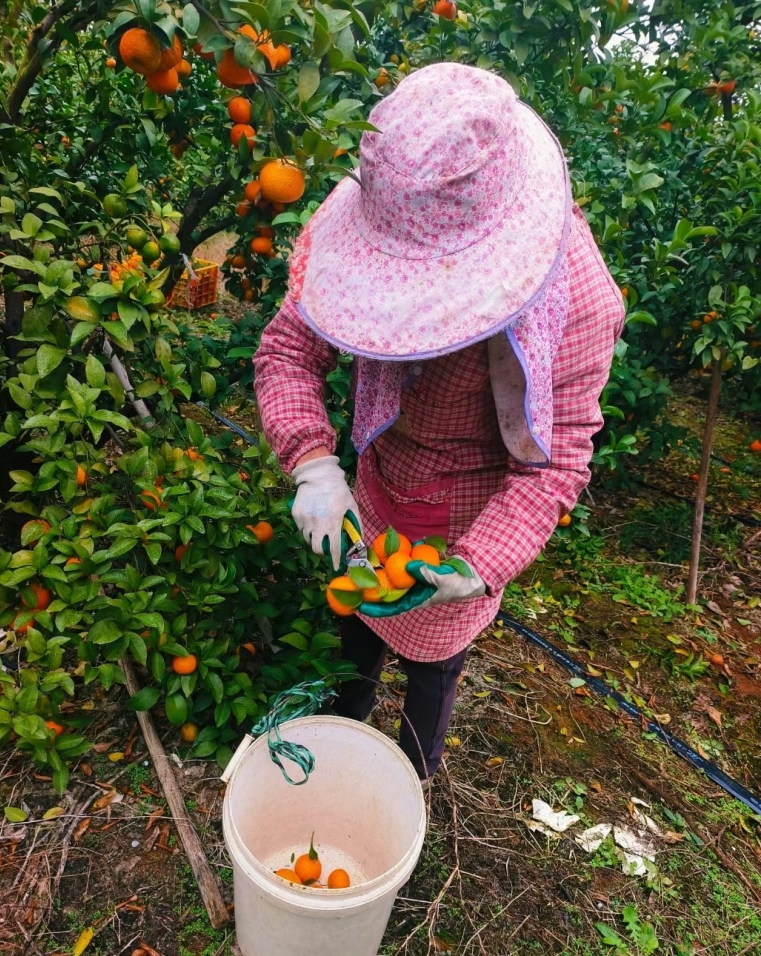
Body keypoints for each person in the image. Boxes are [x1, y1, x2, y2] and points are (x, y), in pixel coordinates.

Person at [253, 63, 625, 784]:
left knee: (434, 666)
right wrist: (313, 462)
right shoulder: (386, 217)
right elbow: (290, 347)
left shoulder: (575, 301)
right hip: (378, 480)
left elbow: (554, 465)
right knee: (355, 624)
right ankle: (342, 735)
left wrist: (476, 565)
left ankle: (411, 778)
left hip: (463, 514)